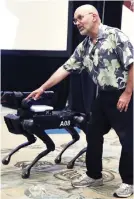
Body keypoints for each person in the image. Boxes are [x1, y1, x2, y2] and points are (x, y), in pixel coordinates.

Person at [26, 4, 133, 198]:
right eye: (75, 20)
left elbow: (132, 63)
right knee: (92, 133)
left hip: (123, 95)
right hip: (103, 96)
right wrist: (43, 87)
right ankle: (94, 175)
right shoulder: (85, 46)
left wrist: (127, 93)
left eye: (80, 18)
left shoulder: (115, 36)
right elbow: (65, 68)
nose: (77, 23)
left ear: (94, 16)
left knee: (128, 140)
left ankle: (129, 181)